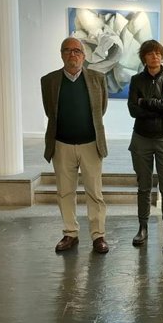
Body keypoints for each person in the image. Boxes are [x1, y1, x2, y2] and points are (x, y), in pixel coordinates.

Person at [41, 37, 109, 254]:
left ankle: (98, 236)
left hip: (91, 144)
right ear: (61, 54)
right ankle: (70, 233)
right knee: (65, 192)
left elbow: (101, 109)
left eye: (77, 51)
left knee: (95, 192)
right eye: (68, 50)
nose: (73, 54)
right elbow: (49, 111)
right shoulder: (49, 81)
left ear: (84, 54)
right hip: (61, 144)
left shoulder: (98, 79)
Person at [127, 40, 163, 253]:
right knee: (143, 187)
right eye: (150, 53)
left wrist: (145, 102)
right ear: (144, 57)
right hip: (141, 137)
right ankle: (142, 227)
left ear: (162, 56)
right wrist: (160, 105)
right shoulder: (136, 80)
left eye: (158, 53)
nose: (155, 56)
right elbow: (133, 109)